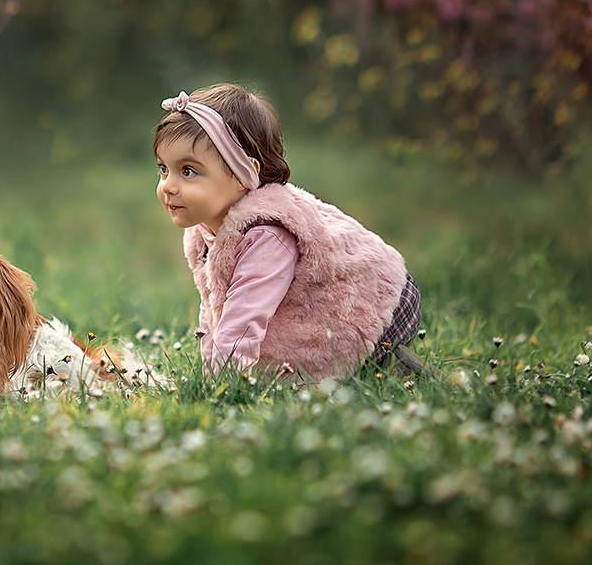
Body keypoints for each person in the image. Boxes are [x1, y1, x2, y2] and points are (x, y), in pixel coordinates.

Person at [154, 83, 425, 381]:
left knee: (370, 371)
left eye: (188, 171)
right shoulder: (205, 229)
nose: (168, 185)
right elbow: (215, 308)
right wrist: (209, 372)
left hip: (377, 308)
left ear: (244, 173)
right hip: (321, 310)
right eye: (164, 169)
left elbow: (243, 319)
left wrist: (222, 384)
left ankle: (406, 367)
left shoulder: (267, 235)